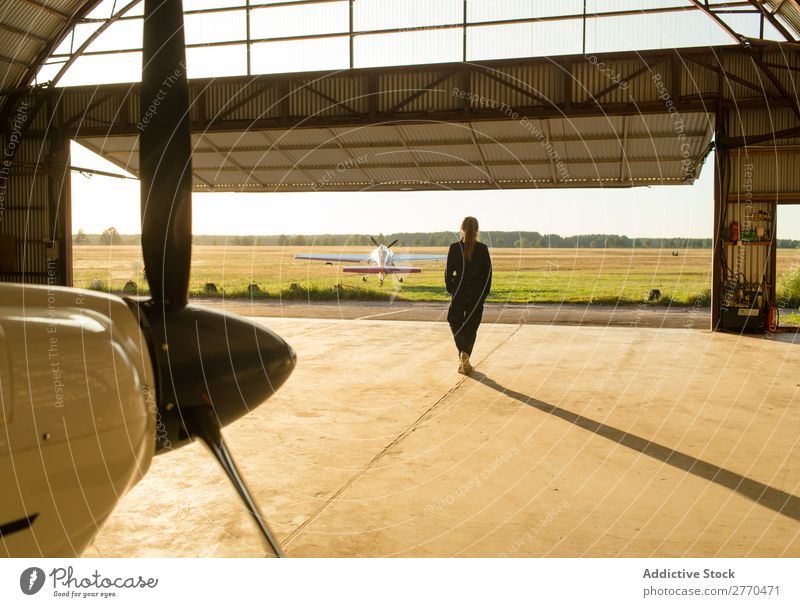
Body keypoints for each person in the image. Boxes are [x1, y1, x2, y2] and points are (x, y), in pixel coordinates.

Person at [445, 216, 492, 375]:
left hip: (459, 289)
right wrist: (483, 294)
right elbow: (488, 275)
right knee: (472, 325)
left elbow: (448, 272)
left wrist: (451, 288)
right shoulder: (483, 249)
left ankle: (462, 353)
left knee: (454, 320)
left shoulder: (454, 248)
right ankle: (465, 355)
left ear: (462, 229)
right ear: (477, 230)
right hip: (476, 291)